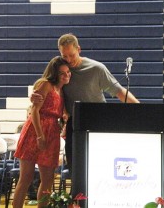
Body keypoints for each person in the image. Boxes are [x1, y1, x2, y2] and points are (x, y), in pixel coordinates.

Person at [31, 33, 140, 173]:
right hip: (75, 123)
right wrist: (34, 95)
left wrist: (139, 109)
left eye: (72, 55)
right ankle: (77, 194)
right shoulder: (61, 71)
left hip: (99, 122)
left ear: (79, 49)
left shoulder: (96, 69)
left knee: (99, 164)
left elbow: (119, 91)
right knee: (74, 166)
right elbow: (47, 86)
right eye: (65, 56)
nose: (69, 60)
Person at [12, 56, 71, 208]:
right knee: (26, 177)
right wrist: (39, 135)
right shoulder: (46, 84)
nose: (66, 75)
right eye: (62, 73)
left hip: (52, 133)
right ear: (55, 73)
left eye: (68, 72)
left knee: (48, 179)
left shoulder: (62, 91)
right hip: (35, 130)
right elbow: (34, 111)